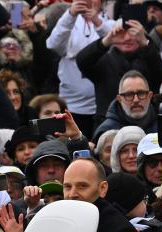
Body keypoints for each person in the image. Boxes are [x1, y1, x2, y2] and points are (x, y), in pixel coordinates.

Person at [46, 0, 114, 138]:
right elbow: (53, 45)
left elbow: (115, 45)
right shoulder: (67, 22)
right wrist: (71, 14)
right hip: (71, 106)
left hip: (102, 108)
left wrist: (96, 21)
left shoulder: (111, 23)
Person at [76, 20, 162, 125]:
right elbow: (82, 61)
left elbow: (161, 73)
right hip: (109, 124)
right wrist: (106, 41)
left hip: (147, 123)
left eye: (133, 33)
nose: (127, 38)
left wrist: (145, 43)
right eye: (121, 34)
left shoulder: (149, 60)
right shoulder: (103, 62)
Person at [93, 70, 158, 143]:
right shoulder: (106, 132)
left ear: (149, 96)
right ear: (119, 99)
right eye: (129, 95)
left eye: (141, 93)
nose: (136, 100)